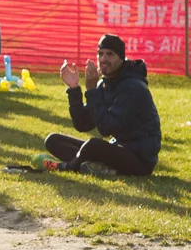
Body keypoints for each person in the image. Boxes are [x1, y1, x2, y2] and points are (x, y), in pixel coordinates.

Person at [33, 35, 161, 177]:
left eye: (110, 54)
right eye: (100, 54)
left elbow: (106, 128)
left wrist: (92, 91)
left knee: (93, 146)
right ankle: (97, 168)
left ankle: (66, 167)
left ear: (121, 58)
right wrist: (74, 89)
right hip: (117, 150)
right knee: (53, 140)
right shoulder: (104, 83)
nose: (103, 59)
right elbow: (83, 124)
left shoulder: (133, 87)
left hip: (139, 160)